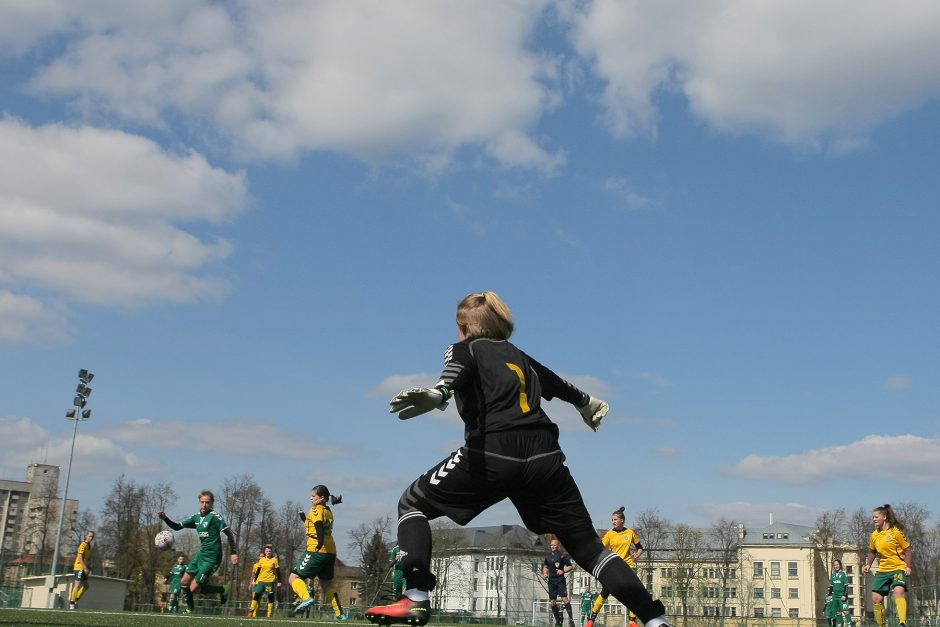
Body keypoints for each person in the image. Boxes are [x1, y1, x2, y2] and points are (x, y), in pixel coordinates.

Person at [364, 291, 671, 627]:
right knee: (590, 549)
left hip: (494, 452)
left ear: (464, 327)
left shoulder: (465, 347)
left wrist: (439, 392)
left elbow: (458, 366)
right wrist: (585, 402)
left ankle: (416, 596)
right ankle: (655, 621)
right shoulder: (520, 356)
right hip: (545, 456)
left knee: (412, 504)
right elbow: (555, 382)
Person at [158, 490, 238, 614]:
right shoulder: (196, 518)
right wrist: (165, 518)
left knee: (194, 588)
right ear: (199, 502)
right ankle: (190, 609)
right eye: (202, 502)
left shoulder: (215, 517)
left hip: (212, 558)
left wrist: (233, 552)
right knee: (184, 581)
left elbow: (229, 533)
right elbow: (177, 527)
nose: (204, 505)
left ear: (212, 504)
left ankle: (222, 589)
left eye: (207, 502)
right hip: (201, 555)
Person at [289, 485, 347, 620]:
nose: (311, 498)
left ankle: (305, 598)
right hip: (331, 552)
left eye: (313, 496)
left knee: (293, 578)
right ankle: (340, 614)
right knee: (327, 584)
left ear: (321, 498)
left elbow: (319, 527)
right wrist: (305, 519)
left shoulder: (315, 510)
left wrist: (319, 543)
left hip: (317, 550)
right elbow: (316, 526)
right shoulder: (328, 510)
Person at [586, 507, 644, 627]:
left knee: (634, 592)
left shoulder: (630, 533)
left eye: (615, 519)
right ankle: (591, 619)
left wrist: (637, 554)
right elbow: (600, 548)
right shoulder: (610, 534)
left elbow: (640, 547)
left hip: (629, 565)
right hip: (614, 566)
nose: (613, 522)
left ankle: (632, 620)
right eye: (612, 520)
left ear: (622, 520)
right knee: (605, 592)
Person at [863, 504, 913, 627]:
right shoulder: (874, 535)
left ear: (884, 517)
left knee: (898, 590)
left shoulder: (896, 532)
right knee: (876, 598)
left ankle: (902, 622)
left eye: (876, 517)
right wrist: (868, 564)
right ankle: (882, 625)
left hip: (898, 567)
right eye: (873, 517)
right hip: (883, 569)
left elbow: (908, 550)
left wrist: (908, 566)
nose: (874, 519)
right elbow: (872, 551)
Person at [543, 538, 575, 627]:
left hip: (560, 580)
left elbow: (570, 566)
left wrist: (563, 571)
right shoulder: (548, 556)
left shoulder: (562, 556)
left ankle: (571, 620)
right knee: (552, 602)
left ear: (558, 546)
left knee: (565, 599)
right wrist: (545, 573)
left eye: (554, 545)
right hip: (551, 581)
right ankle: (558, 621)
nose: (552, 546)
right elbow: (545, 566)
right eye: (551, 545)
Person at [249, 544, 282, 618]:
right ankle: (251, 612)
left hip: (270, 581)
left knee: (270, 597)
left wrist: (279, 581)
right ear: (265, 552)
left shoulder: (274, 560)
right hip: (261, 581)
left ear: (271, 552)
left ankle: (269, 614)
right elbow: (258, 571)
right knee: (256, 595)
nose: (268, 552)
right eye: (267, 551)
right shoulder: (262, 560)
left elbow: (278, 571)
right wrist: (254, 580)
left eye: (269, 551)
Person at [68, 531, 94, 610]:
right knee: (77, 585)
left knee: (86, 586)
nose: (91, 538)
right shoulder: (83, 544)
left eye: (92, 537)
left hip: (83, 568)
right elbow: (80, 557)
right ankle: (72, 604)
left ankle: (75, 599)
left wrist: (87, 567)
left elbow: (86, 559)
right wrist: (84, 568)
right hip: (79, 567)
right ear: (86, 536)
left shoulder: (89, 546)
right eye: (89, 536)